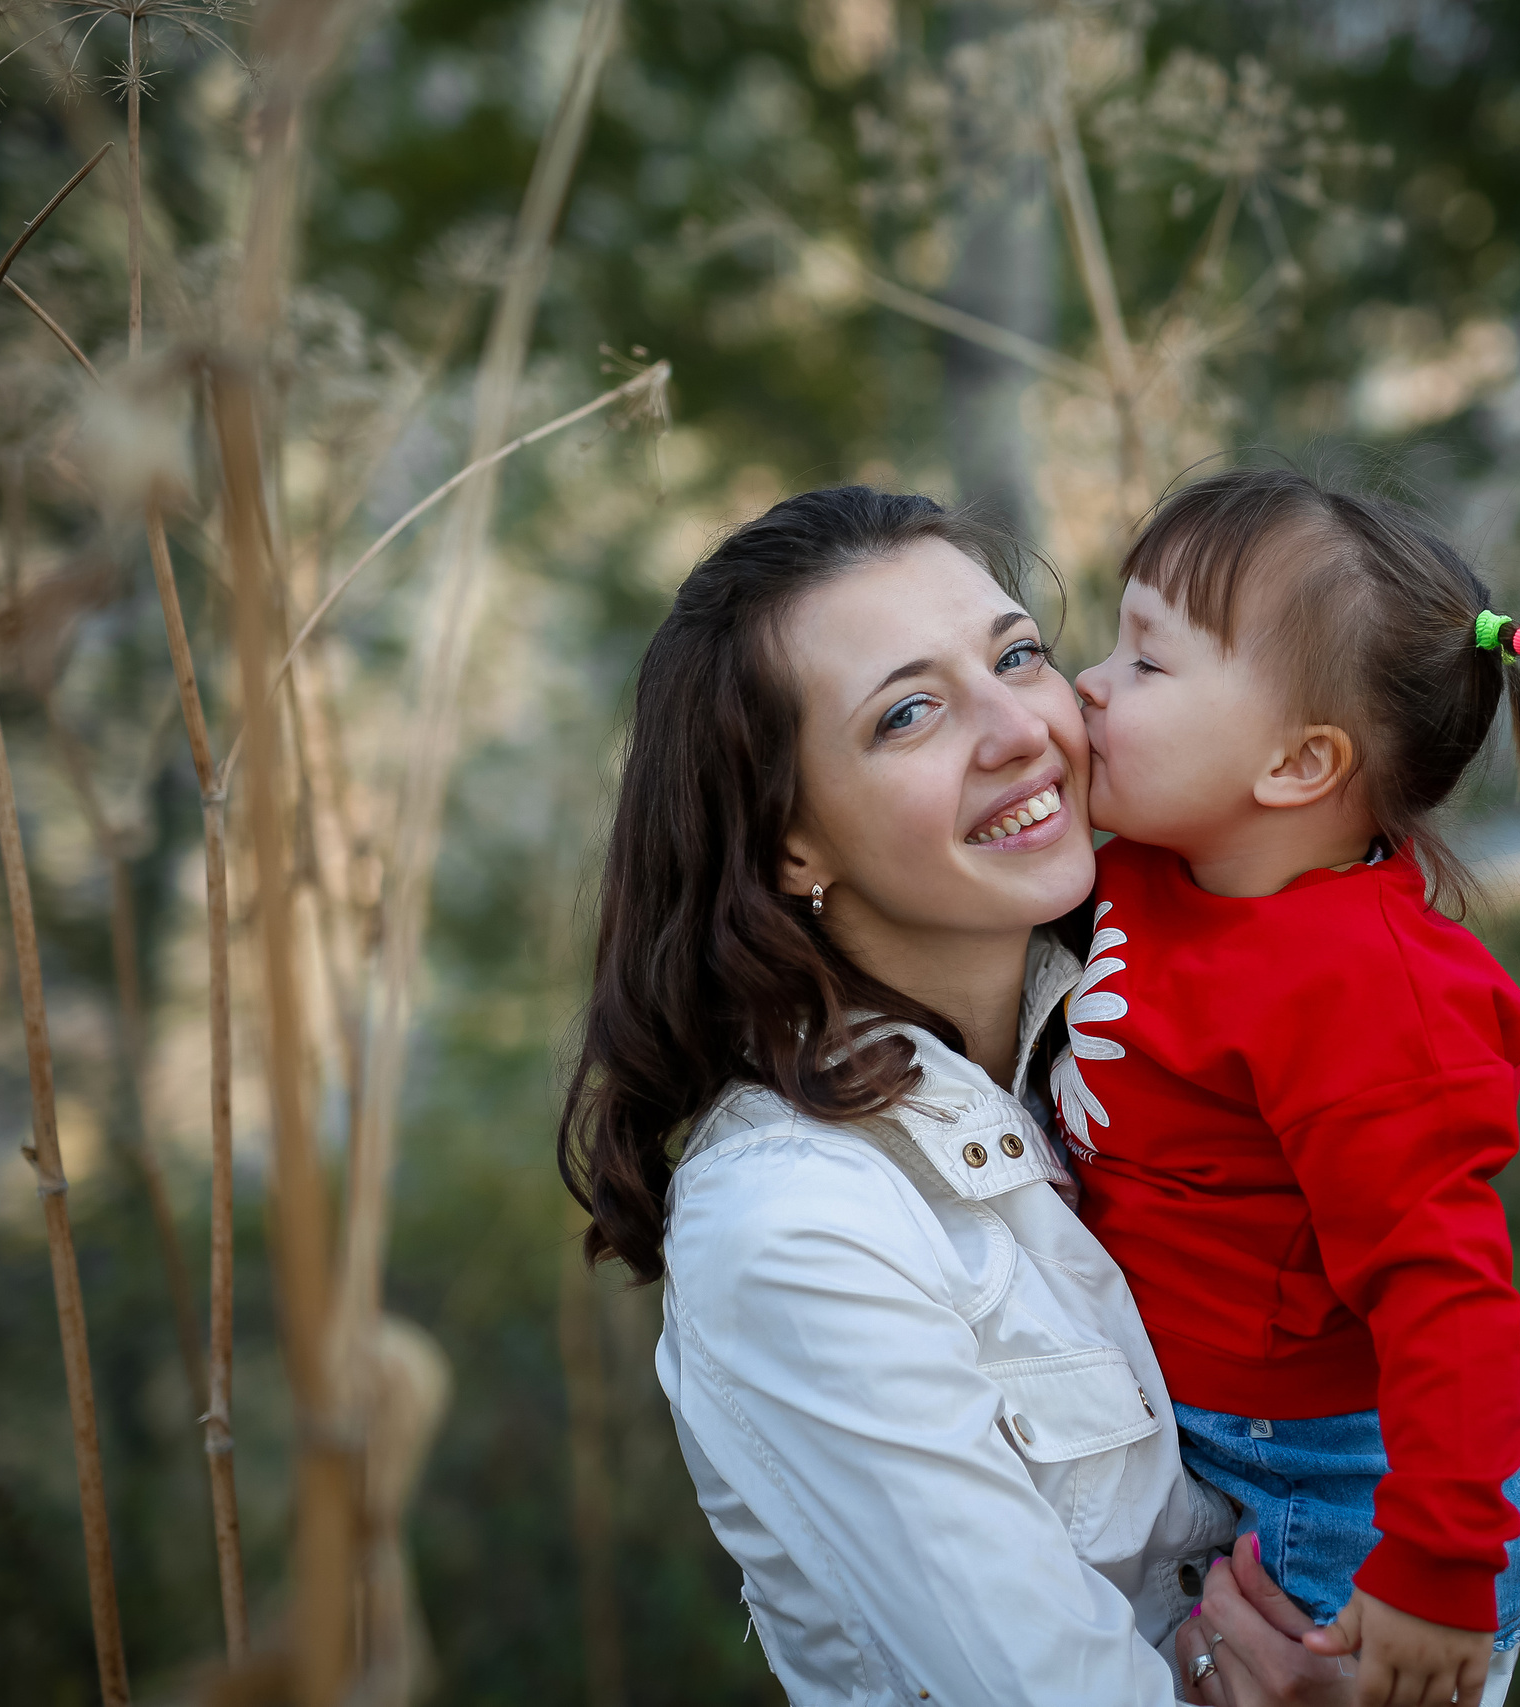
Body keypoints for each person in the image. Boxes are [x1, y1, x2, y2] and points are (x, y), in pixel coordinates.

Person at [558, 486, 1305, 1703]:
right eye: (909, 714)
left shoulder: (1151, 1049)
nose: (1021, 729)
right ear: (790, 840)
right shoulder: (796, 1225)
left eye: (1019, 654)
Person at [1063, 467, 1520, 1707]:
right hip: (1206, 1436)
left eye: (1148, 662)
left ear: (1299, 763)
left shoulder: (1366, 996)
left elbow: (1444, 1290)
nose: (1090, 682)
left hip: (1352, 1495)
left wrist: (1440, 1569)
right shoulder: (1146, 869)